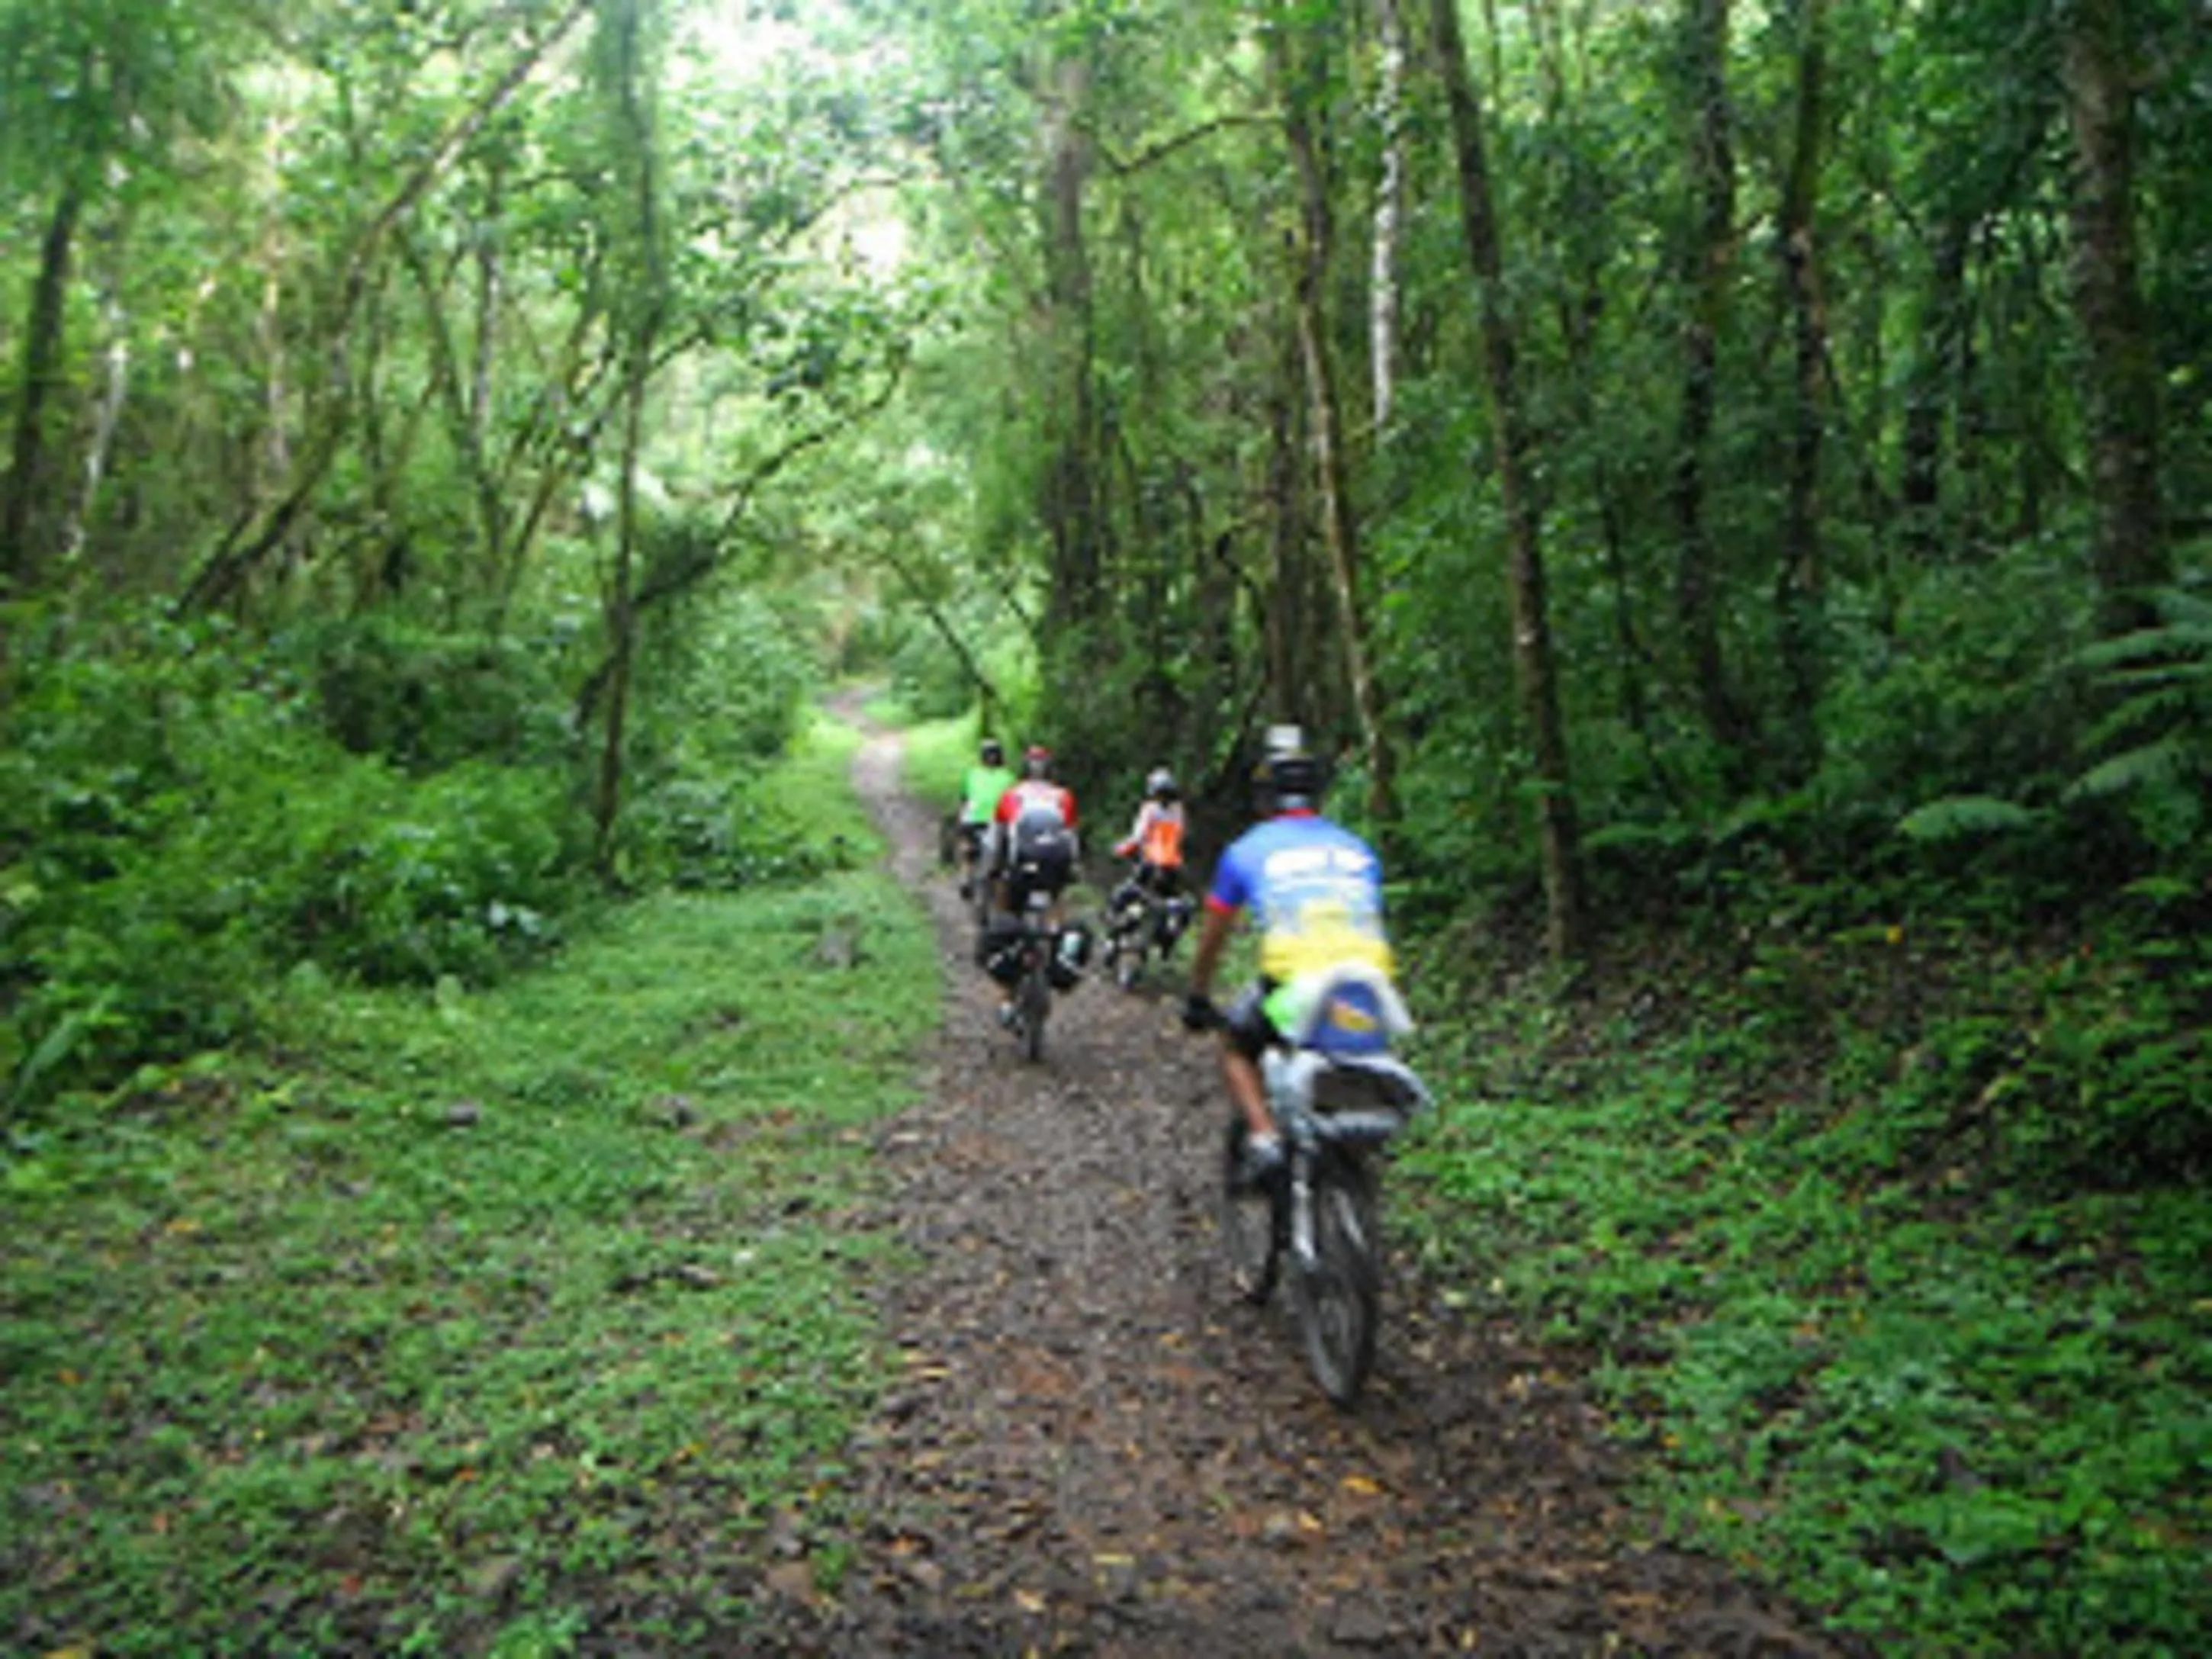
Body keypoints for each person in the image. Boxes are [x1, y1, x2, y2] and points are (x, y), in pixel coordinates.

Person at [1182, 728, 1394, 1180]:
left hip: (1296, 985)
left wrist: (1198, 993)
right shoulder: (1358, 848)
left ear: (1263, 799)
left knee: (1236, 1046)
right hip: (1369, 988)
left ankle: (1265, 1137)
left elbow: (1213, 935)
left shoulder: (1245, 852)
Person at [1109, 766, 1188, 912]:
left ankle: (1113, 915)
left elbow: (1138, 836)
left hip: (1151, 860)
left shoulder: (1150, 809)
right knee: (1170, 894)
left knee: (1128, 890)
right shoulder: (1179, 810)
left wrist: (1121, 848)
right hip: (1173, 864)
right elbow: (1180, 835)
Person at [956, 738, 1016, 899]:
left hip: (974, 819)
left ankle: (965, 877)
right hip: (999, 822)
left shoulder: (973, 774)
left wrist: (960, 818)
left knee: (967, 847)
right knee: (1004, 856)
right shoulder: (1009, 777)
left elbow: (965, 798)